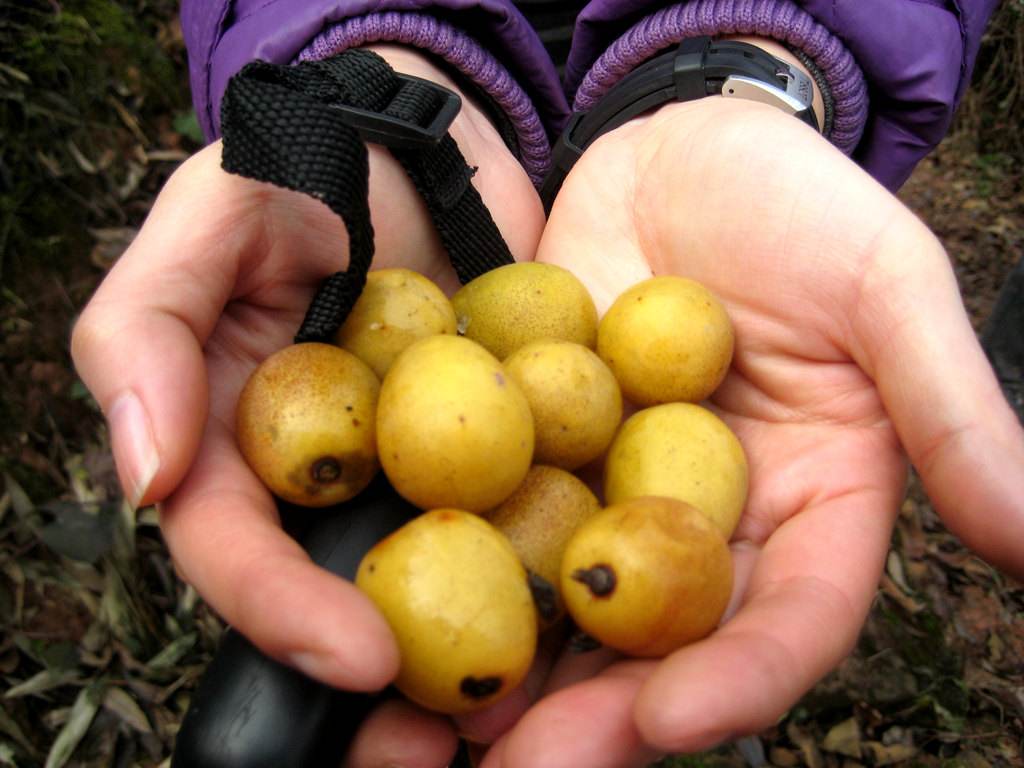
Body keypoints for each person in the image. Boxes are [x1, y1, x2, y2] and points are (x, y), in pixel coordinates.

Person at [71, 1, 1024, 766]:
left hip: (636, 139)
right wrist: (381, 88)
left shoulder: (562, 418)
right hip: (463, 143)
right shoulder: (446, 380)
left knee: (686, 680)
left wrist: (755, 66)